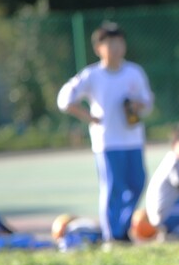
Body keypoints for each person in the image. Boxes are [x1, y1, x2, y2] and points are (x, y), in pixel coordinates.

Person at [57, 22, 155, 242]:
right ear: (98, 48)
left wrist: (138, 106)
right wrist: (87, 116)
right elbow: (64, 100)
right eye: (110, 44)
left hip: (132, 139)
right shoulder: (92, 75)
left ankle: (122, 227)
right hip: (108, 142)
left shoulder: (133, 72)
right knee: (113, 189)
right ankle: (112, 236)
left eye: (119, 43)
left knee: (137, 183)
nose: (116, 48)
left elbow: (148, 101)